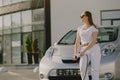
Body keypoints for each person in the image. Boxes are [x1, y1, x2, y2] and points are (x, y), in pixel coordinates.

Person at [72, 11, 101, 80]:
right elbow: (77, 42)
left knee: (95, 69)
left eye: (82, 16)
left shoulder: (94, 28)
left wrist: (84, 51)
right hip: (84, 48)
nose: (81, 18)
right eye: (80, 16)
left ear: (87, 17)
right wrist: (75, 53)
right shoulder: (80, 28)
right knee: (82, 68)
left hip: (94, 49)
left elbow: (93, 41)